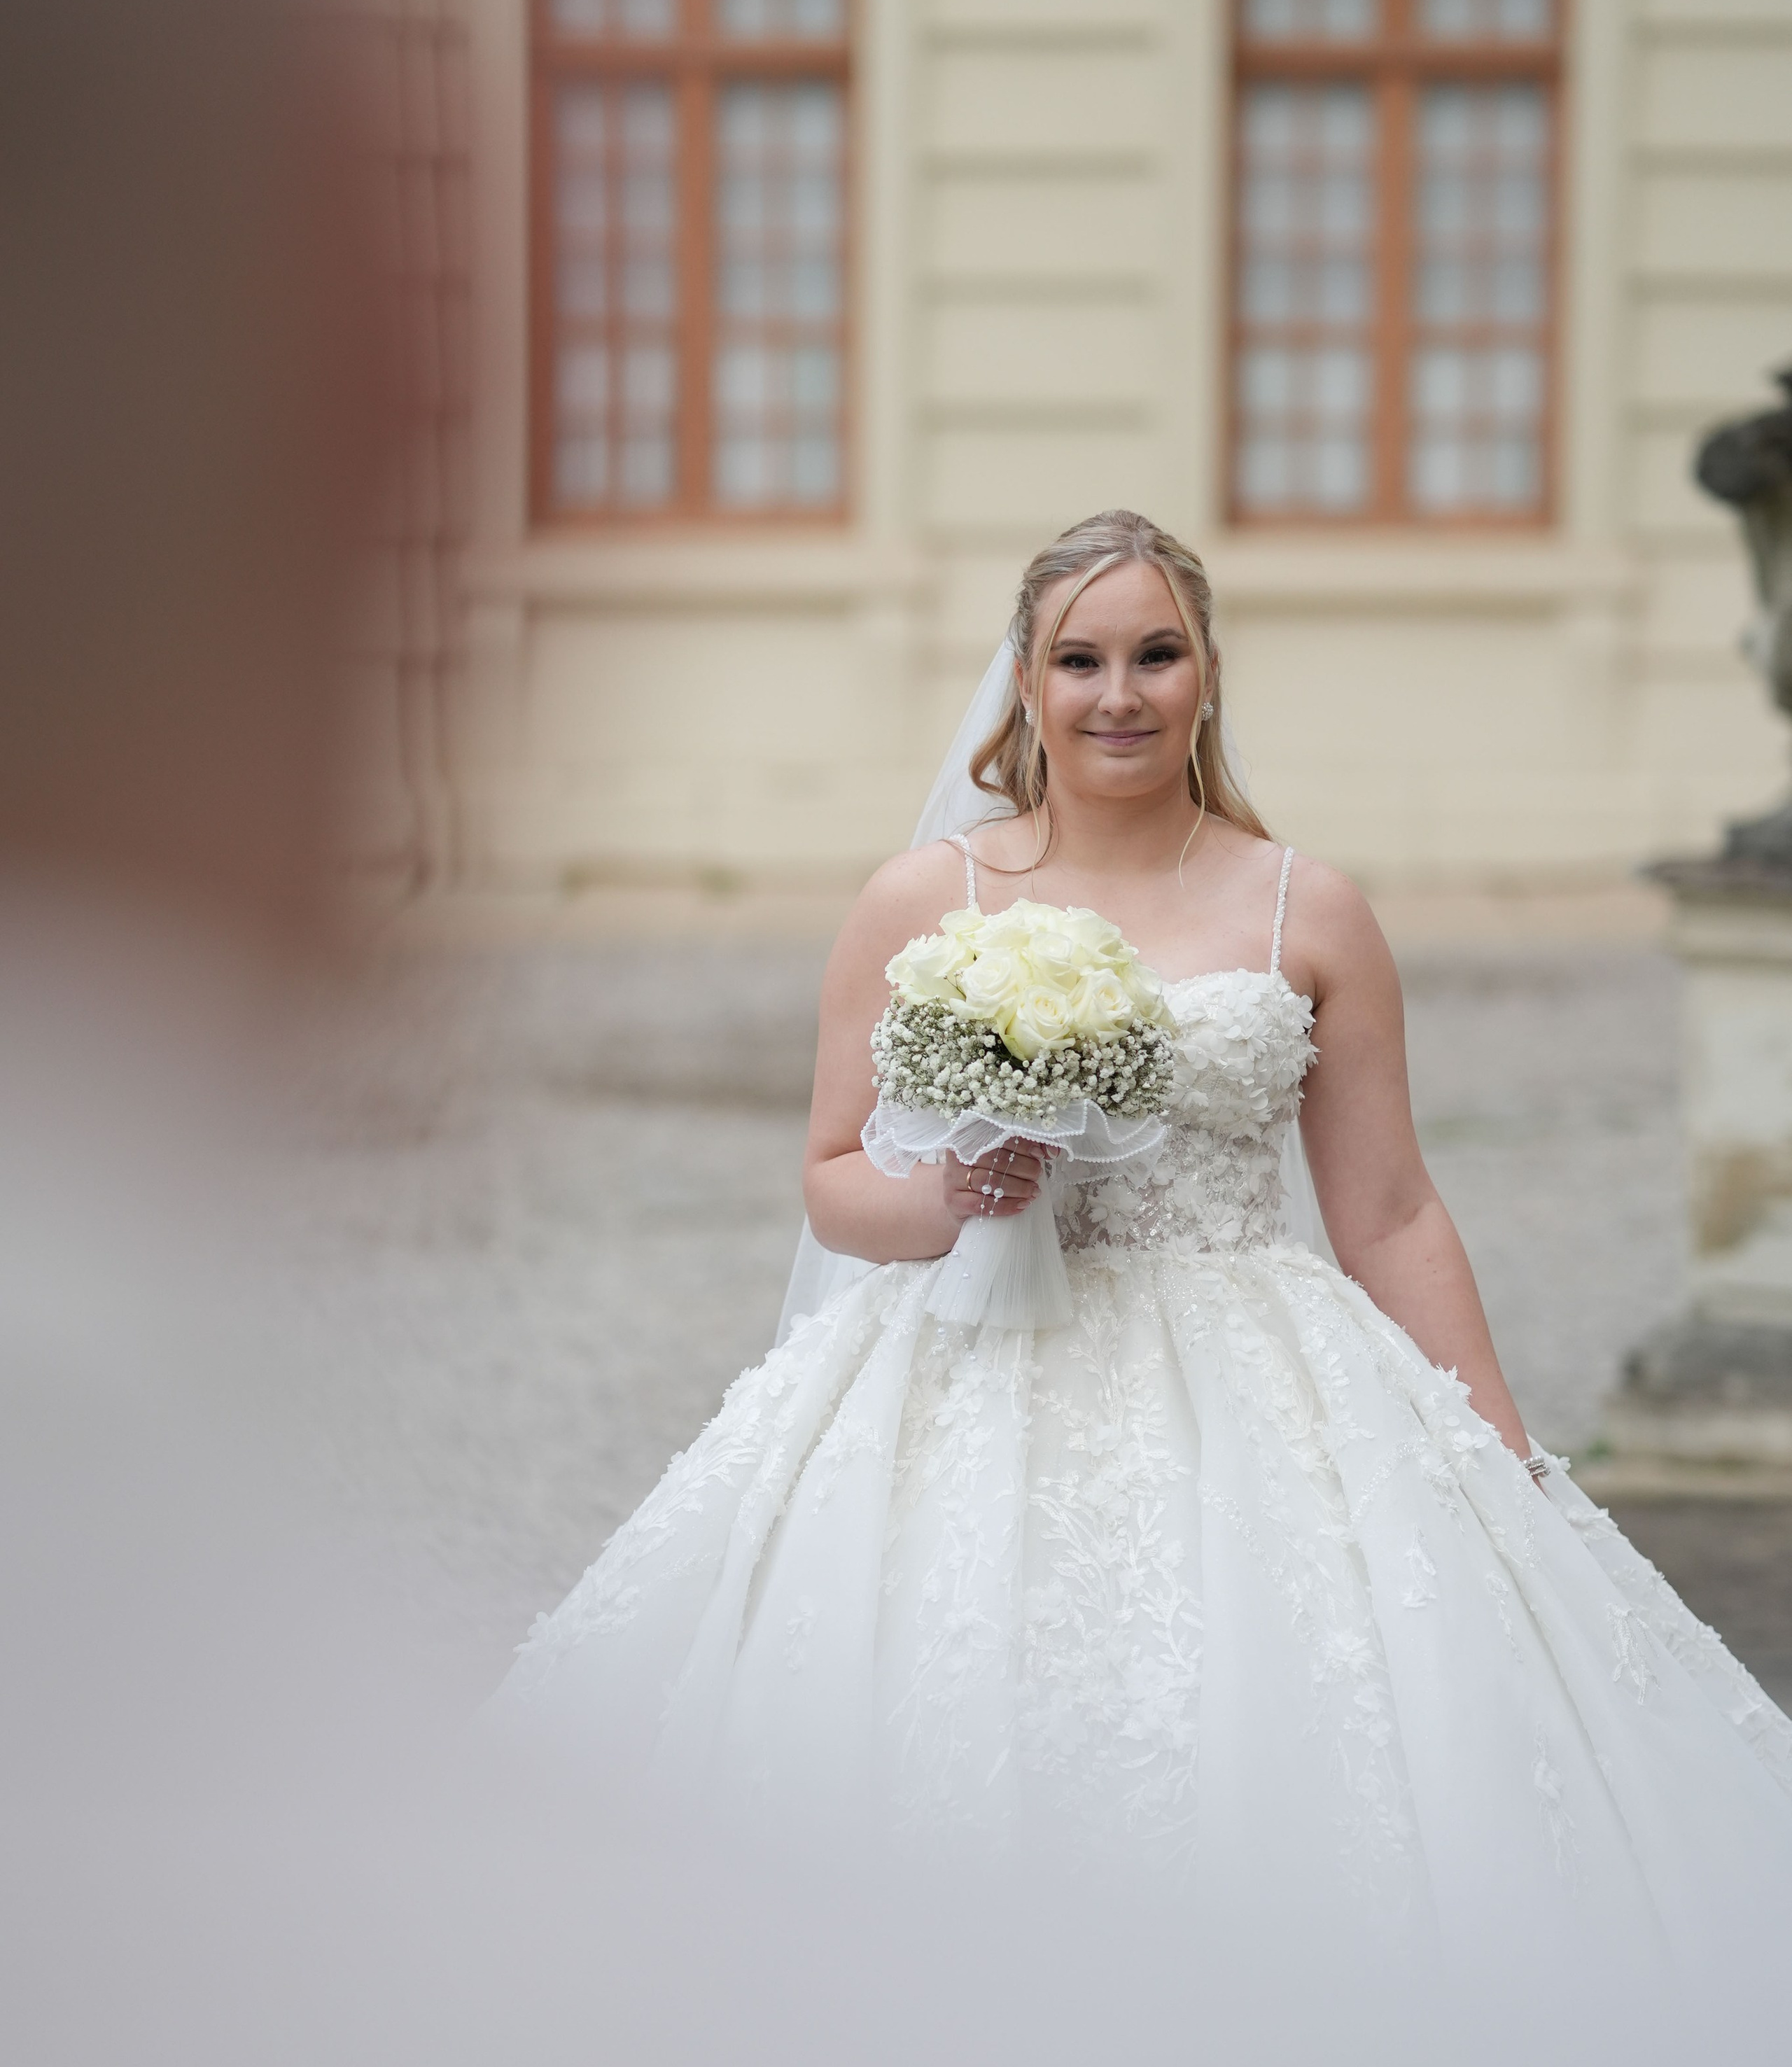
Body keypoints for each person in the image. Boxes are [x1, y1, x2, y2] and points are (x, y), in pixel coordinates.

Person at [505, 510, 1792, 1968]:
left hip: (1250, 1363)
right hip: (969, 1353)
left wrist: (1500, 1447)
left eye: (1154, 654)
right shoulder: (928, 899)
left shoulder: (1308, 907)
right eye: (1081, 660)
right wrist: (960, 1193)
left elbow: (1386, 1209)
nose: (1118, 694)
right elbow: (826, 1178)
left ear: (1204, 675)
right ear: (1026, 686)